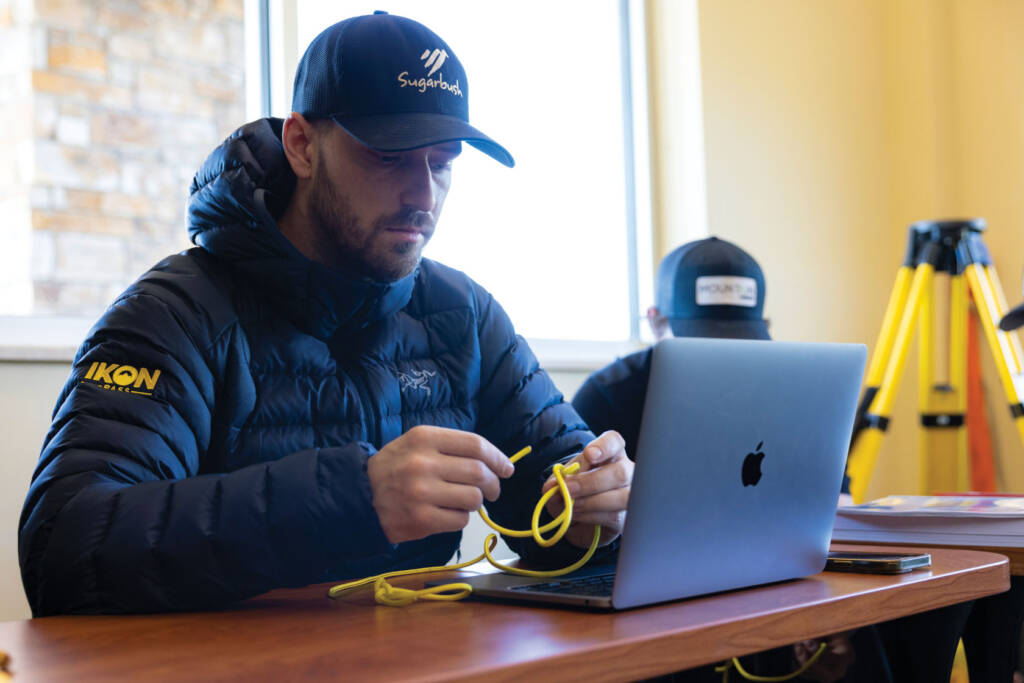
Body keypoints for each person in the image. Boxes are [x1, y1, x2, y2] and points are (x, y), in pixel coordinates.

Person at [18, 11, 633, 616]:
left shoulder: (462, 314)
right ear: (302, 145)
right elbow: (65, 548)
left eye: (442, 163)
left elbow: (554, 502)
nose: (424, 195)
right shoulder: (172, 316)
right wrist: (353, 499)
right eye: (390, 157)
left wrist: (596, 511)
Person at [574, 237, 876, 683]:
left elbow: (834, 503)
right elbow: (576, 538)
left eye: (741, 340)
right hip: (651, 610)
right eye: (704, 342)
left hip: (771, 587)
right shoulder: (608, 395)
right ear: (655, 323)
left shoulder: (798, 384)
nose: (726, 356)